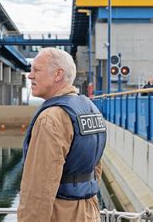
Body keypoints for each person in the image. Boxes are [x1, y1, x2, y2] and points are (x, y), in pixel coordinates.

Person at [18, 48, 106, 222]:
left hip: (61, 213)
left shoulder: (51, 118)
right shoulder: (91, 110)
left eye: (37, 70)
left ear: (58, 74)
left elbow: (39, 188)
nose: (30, 76)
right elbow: (96, 167)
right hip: (89, 211)